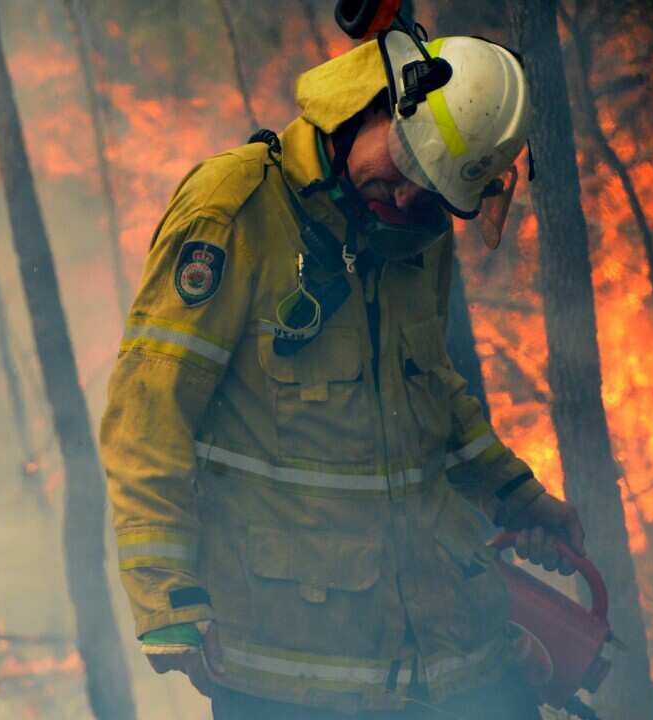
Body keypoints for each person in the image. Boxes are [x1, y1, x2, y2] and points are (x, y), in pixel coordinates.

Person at [100, 28, 585, 719]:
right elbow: (149, 407)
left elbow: (430, 386)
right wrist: (167, 595)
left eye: (429, 193)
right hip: (293, 667)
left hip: (445, 650)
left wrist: (515, 493)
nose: (403, 197)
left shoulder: (415, 233)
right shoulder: (236, 206)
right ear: (379, 104)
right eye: (403, 164)